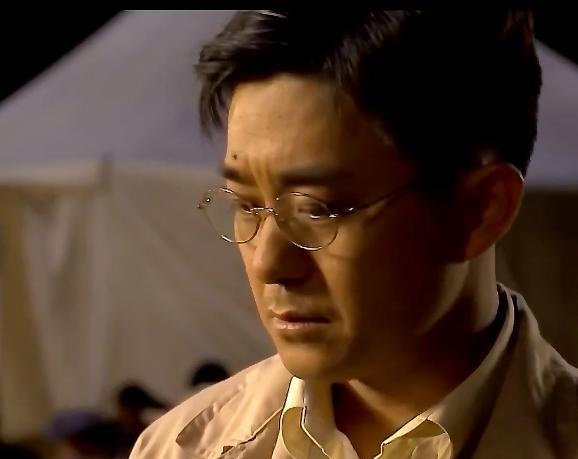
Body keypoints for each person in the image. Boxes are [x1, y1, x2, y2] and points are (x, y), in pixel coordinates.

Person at [130, 10, 578, 459]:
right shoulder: (178, 449)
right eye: (247, 205)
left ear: (482, 210)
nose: (268, 263)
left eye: (317, 209)